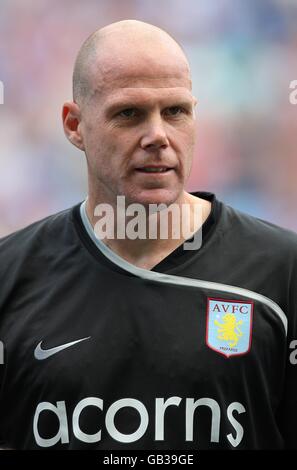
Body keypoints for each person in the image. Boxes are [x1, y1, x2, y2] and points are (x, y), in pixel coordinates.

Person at [0, 19, 296, 450]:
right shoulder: (10, 278)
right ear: (74, 125)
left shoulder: (281, 272)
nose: (157, 136)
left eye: (176, 111)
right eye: (129, 113)